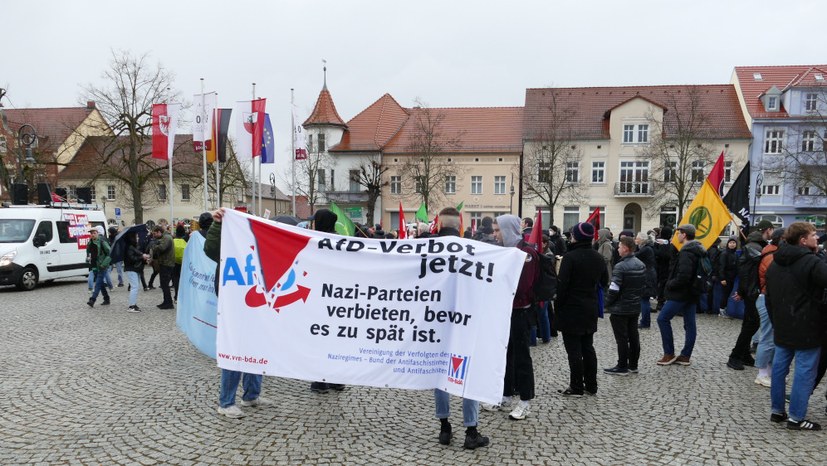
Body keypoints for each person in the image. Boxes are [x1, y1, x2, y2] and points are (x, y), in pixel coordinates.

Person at [203, 208, 269, 419]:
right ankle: (226, 401)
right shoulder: (227, 242)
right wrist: (218, 224)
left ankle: (251, 395)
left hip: (254, 301)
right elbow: (211, 249)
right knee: (234, 348)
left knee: (256, 346)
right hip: (232, 302)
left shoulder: (259, 243)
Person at [431, 207, 489, 449]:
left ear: (438, 224)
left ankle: (445, 427)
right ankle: (471, 430)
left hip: (434, 322)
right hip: (464, 321)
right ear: (460, 225)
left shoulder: (426, 249)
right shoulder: (472, 250)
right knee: (468, 375)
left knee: (440, 374)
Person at [766, 222, 827, 431]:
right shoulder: (811, 262)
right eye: (813, 235)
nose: (817, 237)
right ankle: (796, 418)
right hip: (808, 326)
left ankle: (777, 411)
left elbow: (769, 298)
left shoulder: (775, 262)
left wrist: (776, 322)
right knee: (804, 372)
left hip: (783, 325)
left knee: (779, 370)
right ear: (803, 240)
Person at [488, 214, 538, 420]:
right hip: (505, 311)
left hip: (520, 311)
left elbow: (523, 286)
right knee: (505, 355)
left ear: (508, 230)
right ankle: (506, 394)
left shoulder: (526, 254)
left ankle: (525, 400)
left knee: (521, 357)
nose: (494, 234)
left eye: (498, 230)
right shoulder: (505, 252)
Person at [554, 222, 608, 396]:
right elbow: (604, 281)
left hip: (571, 308)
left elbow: (562, 286)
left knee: (574, 350)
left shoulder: (570, 257)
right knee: (588, 347)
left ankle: (576, 386)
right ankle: (591, 385)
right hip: (590, 306)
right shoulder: (598, 257)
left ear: (576, 236)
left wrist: (558, 306)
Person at [727, 220, 774, 371]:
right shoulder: (755, 247)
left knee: (749, 323)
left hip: (750, 290)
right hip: (753, 291)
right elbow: (745, 273)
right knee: (751, 324)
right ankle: (735, 356)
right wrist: (743, 292)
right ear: (768, 230)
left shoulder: (756, 245)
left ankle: (744, 354)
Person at [656, 224, 706, 366]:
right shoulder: (698, 249)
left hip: (681, 293)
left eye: (679, 233)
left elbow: (683, 276)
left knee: (663, 318)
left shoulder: (686, 252)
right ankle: (685, 356)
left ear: (684, 235)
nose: (677, 235)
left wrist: (670, 284)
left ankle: (669, 353)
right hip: (692, 292)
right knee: (690, 324)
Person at [309, 209, 347, 394]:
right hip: (339, 300)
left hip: (322, 298)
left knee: (321, 341)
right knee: (336, 341)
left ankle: (320, 381)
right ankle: (337, 380)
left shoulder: (318, 243)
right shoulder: (341, 242)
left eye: (315, 221)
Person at [604, 236, 646, 375]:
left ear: (626, 248)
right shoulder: (640, 264)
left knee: (621, 338)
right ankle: (633, 364)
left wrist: (607, 303)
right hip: (634, 306)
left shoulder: (620, 266)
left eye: (620, 246)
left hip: (620, 308)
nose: (618, 248)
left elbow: (614, 289)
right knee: (633, 335)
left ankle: (622, 365)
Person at [754, 228, 783, 387]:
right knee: (767, 337)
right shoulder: (772, 256)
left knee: (773, 337)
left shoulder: (772, 253)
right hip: (767, 297)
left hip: (770, 297)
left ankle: (770, 372)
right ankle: (762, 373)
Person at [146, 225, 175, 309]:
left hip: (167, 264)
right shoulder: (164, 237)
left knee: (165, 284)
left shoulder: (166, 238)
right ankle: (166, 301)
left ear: (159, 232)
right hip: (165, 263)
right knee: (164, 284)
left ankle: (168, 303)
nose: (154, 236)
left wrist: (153, 246)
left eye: (155, 234)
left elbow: (162, 248)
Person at [634, 231, 657, 329]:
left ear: (642, 240)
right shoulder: (647, 248)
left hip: (647, 275)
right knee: (644, 299)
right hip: (649, 274)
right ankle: (645, 321)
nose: (636, 239)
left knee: (644, 299)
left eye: (637, 238)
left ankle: (645, 322)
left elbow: (635, 255)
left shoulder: (646, 249)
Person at [86, 225, 111, 308]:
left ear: (97, 233)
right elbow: (88, 254)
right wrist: (87, 259)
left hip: (102, 266)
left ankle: (92, 299)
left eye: (94, 233)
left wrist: (104, 264)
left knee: (97, 283)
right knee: (100, 283)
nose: (92, 235)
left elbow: (109, 253)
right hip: (94, 266)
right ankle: (106, 298)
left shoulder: (102, 241)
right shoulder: (90, 243)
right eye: (91, 233)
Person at [717, 237, 739, 316]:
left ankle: (724, 309)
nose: (732, 244)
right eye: (730, 243)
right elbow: (721, 267)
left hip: (731, 278)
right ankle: (721, 311)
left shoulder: (735, 254)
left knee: (727, 294)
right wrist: (722, 278)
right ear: (728, 244)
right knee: (725, 294)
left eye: (734, 243)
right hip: (726, 278)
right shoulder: (724, 253)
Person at [123, 232, 145, 312]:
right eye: (136, 236)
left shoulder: (132, 246)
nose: (138, 238)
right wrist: (141, 257)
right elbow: (131, 258)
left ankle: (133, 304)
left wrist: (142, 256)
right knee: (134, 287)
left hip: (135, 269)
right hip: (131, 269)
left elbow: (135, 255)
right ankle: (131, 306)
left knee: (135, 287)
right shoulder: (129, 247)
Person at [172, 224, 188, 302]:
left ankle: (176, 296)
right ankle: (184, 296)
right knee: (184, 279)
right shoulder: (186, 240)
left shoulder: (173, 241)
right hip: (184, 262)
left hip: (175, 262)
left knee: (176, 279)